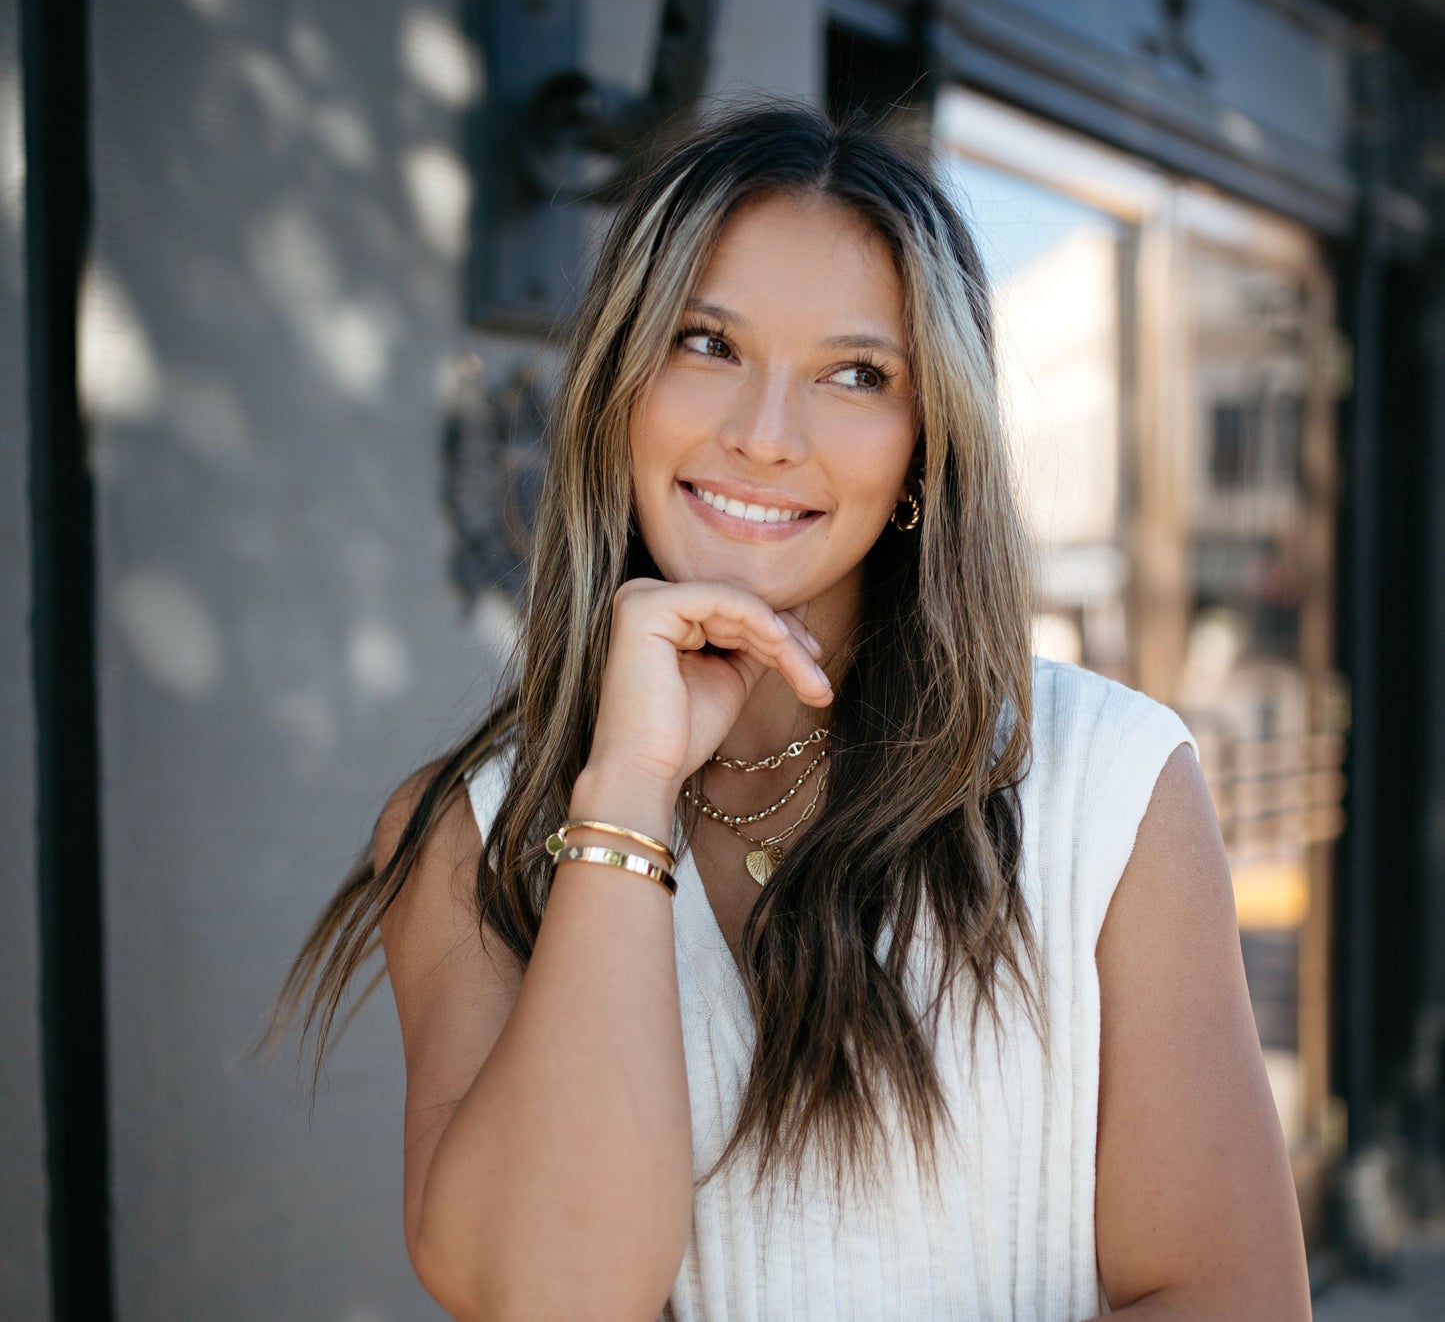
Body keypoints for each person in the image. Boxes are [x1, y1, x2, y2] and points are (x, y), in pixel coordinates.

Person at [277, 104, 1310, 1321]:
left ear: (926, 448)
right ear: (618, 388)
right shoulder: (474, 832)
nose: (764, 436)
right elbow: (544, 1294)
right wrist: (625, 787)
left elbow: (1228, 1297)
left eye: (855, 374)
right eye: (705, 343)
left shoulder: (1108, 782)